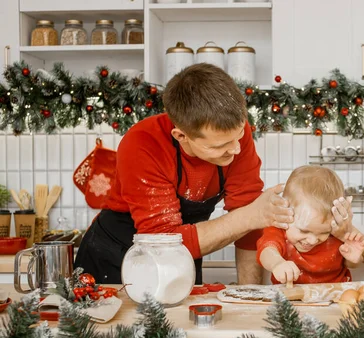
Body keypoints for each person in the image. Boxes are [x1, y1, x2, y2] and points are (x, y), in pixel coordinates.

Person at [75, 63, 294, 285]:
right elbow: (163, 243)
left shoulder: (233, 134)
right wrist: (249, 216)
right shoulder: (142, 144)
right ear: (181, 136)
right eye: (219, 146)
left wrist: (250, 296)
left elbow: (249, 228)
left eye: (238, 136)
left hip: (185, 256)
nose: (236, 149)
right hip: (115, 258)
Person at [257, 165, 364, 284]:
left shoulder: (337, 231)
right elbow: (267, 251)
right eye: (304, 231)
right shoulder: (278, 229)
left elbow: (350, 264)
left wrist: (354, 260)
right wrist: (277, 263)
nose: (313, 240)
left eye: (324, 232)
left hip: (334, 295)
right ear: (284, 213)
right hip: (289, 298)